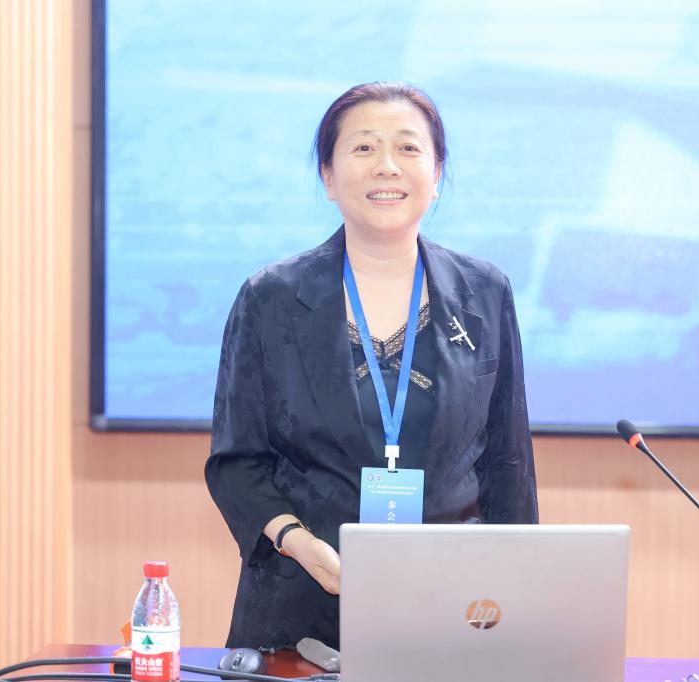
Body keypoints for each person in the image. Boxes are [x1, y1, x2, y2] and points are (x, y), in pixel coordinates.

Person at [205, 81, 538, 651]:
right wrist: (295, 540)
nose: (387, 165)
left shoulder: (484, 292)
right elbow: (237, 463)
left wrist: (518, 610)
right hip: (303, 604)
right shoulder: (271, 298)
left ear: (436, 173)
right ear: (328, 177)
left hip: (453, 609)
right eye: (363, 148)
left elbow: (508, 465)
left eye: (408, 148)